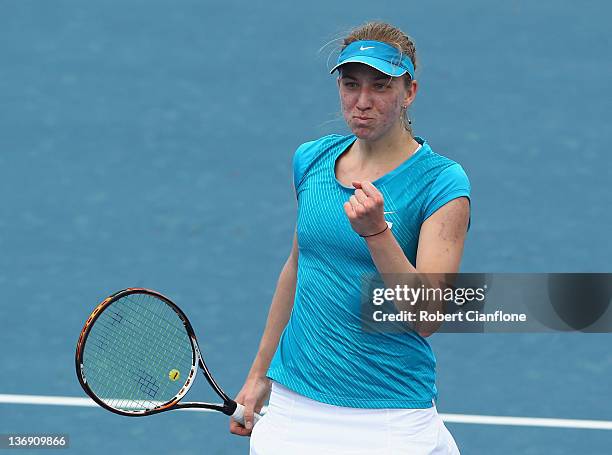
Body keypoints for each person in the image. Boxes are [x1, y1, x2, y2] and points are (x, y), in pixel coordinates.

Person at [230, 21, 470, 454]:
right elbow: (299, 266)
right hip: (293, 409)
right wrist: (258, 375)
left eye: (380, 86)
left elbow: (429, 317)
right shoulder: (311, 159)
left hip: (390, 418)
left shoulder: (442, 183)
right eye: (350, 84)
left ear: (409, 92)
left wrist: (377, 233)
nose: (362, 102)